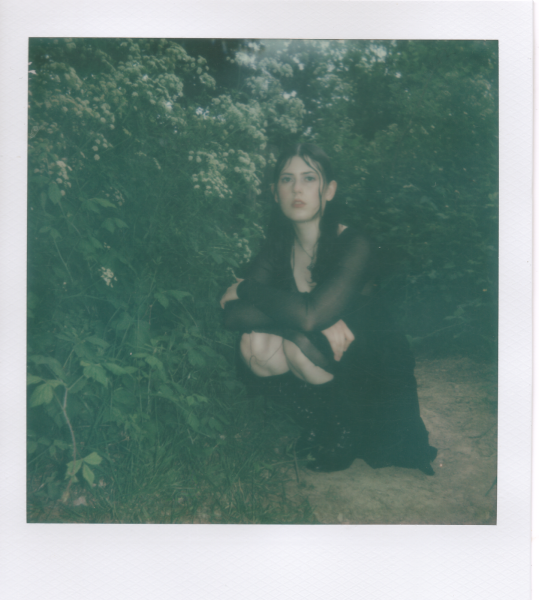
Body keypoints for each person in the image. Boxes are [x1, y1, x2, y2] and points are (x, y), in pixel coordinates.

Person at [220, 143, 437, 474]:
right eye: (287, 179)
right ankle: (319, 421)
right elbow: (234, 315)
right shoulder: (278, 248)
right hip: (325, 347)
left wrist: (246, 288)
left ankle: (345, 429)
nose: (297, 188)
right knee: (255, 345)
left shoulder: (355, 244)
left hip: (373, 363)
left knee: (297, 341)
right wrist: (308, 320)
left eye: (309, 178)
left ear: (330, 190)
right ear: (275, 193)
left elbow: (307, 315)